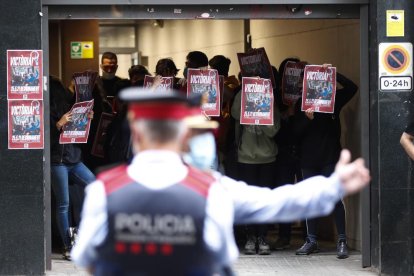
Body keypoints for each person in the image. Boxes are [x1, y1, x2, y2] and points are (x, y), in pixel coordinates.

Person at [71, 88, 370, 275]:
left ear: (135, 134)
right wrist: (335, 185)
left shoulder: (104, 191)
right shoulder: (210, 189)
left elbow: (86, 259)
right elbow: (277, 203)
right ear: (184, 136)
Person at [292, 65, 358, 258]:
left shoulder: (333, 99)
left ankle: (342, 240)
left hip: (330, 156)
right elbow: (295, 132)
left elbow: (353, 88)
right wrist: (306, 119)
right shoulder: (301, 104)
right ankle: (311, 240)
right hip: (309, 157)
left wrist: (334, 74)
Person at [231, 72, 281, 255]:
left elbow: (274, 130)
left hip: (267, 157)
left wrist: (261, 115)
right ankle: (251, 237)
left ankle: (263, 236)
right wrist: (245, 92)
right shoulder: (241, 96)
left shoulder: (271, 100)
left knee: (265, 200)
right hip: (246, 157)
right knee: (249, 199)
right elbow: (236, 113)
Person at [49, 76, 96, 260]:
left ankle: (78, 236)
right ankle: (68, 245)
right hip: (57, 161)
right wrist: (58, 124)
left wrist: (87, 120)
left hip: (74, 158)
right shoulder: (47, 111)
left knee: (94, 186)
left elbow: (80, 135)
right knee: (63, 204)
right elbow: (44, 138)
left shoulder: (71, 105)